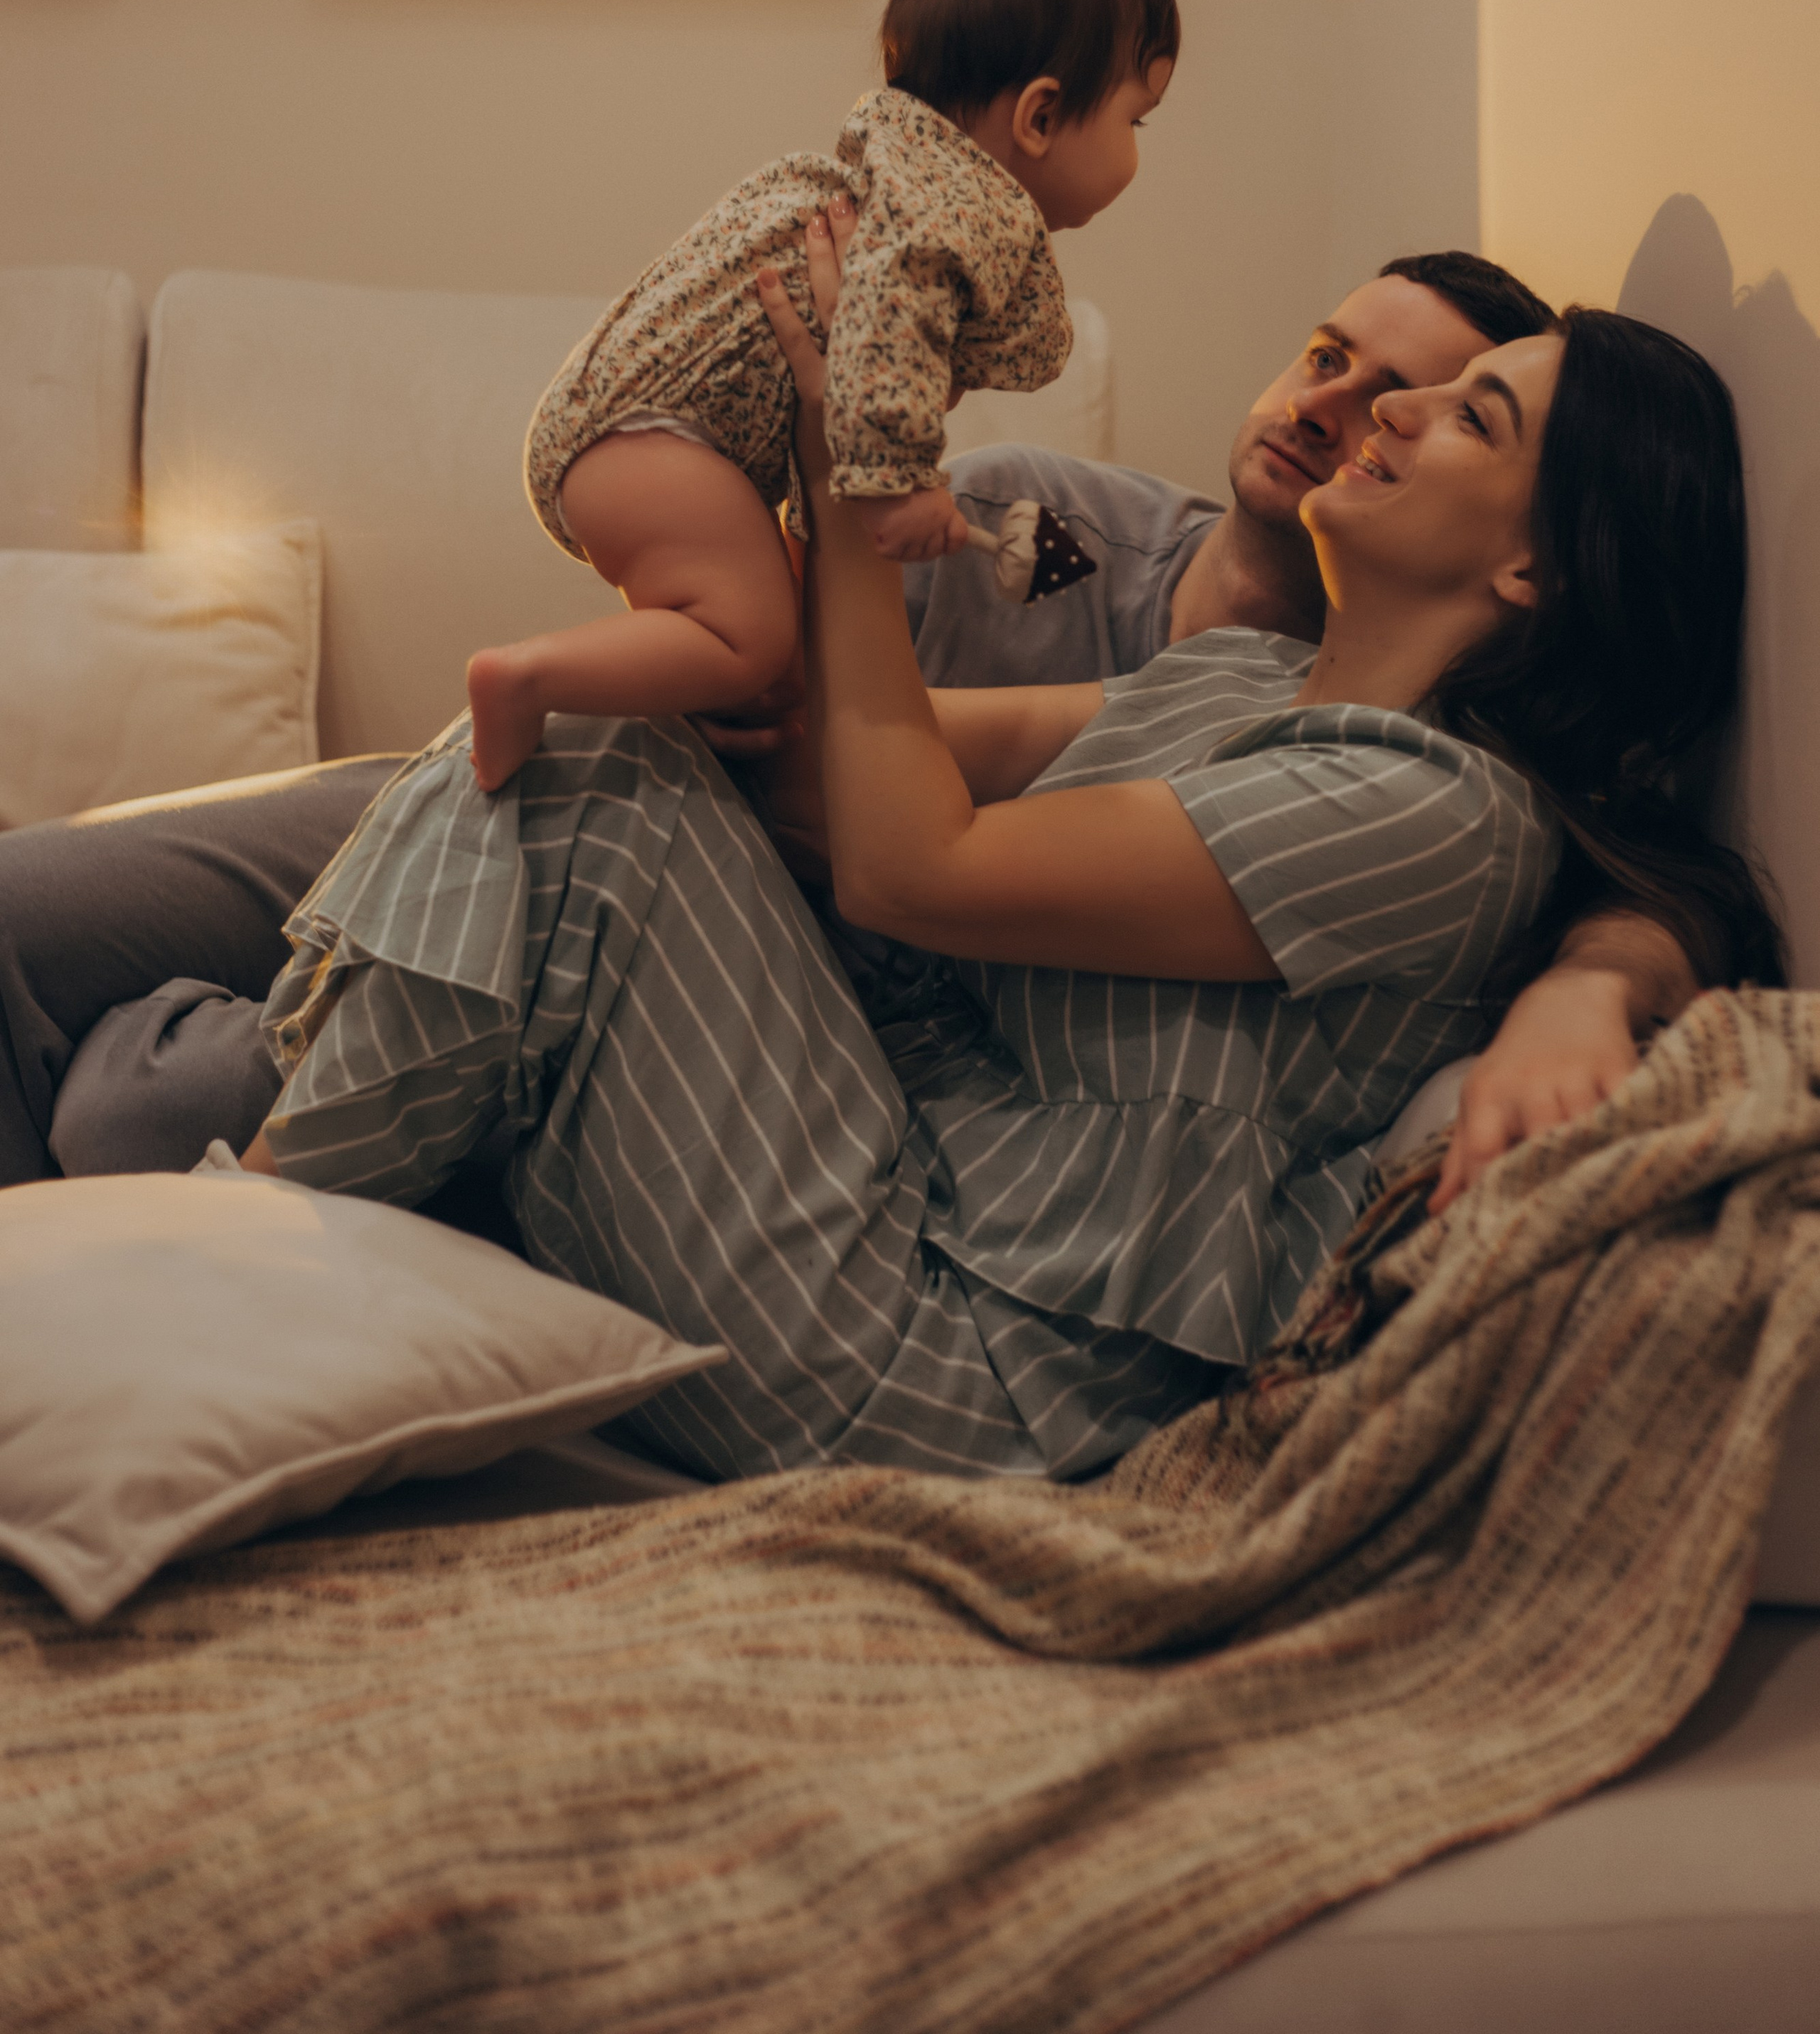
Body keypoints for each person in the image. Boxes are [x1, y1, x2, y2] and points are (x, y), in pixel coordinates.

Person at [220, 218, 1778, 1489]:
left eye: (1465, 414)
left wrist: (856, 457)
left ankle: (230, 1294)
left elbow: (916, 868)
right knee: (589, 741)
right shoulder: (1243, 682)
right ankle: (239, 1271)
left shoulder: (1430, 814)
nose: (1383, 410)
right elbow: (837, 756)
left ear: (1533, 565)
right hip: (891, 1207)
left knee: (582, 783)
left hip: (959, 1376)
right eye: (1363, 372)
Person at [464, 0, 1178, 791]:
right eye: (1135, 118)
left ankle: (657, 680)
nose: (1137, 147)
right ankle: (523, 679)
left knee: (762, 646)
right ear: (1039, 117)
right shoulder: (958, 213)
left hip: (645, 431)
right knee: (747, 636)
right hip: (657, 435)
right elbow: (880, 326)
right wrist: (894, 487)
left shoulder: (902, 182)